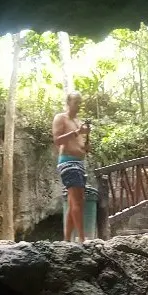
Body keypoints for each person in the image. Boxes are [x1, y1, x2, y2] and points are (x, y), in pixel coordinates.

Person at [52, 92, 91, 243]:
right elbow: (57, 140)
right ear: (68, 102)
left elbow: (80, 144)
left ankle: (66, 240)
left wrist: (85, 146)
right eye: (76, 102)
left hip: (79, 163)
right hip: (68, 162)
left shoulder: (77, 121)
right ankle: (82, 239)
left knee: (73, 201)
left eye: (80, 102)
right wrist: (77, 132)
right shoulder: (61, 118)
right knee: (78, 201)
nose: (79, 105)